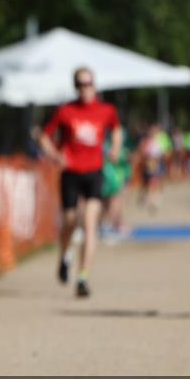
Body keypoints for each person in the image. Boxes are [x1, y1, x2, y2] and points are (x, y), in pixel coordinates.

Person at [38, 67, 123, 298]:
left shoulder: (106, 110)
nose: (85, 88)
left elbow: (116, 130)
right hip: (71, 172)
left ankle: (83, 276)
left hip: (94, 171)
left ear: (95, 85)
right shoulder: (65, 111)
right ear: (75, 86)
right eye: (80, 84)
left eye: (89, 83)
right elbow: (44, 136)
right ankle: (65, 255)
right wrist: (55, 155)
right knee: (69, 220)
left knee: (89, 222)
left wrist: (115, 148)